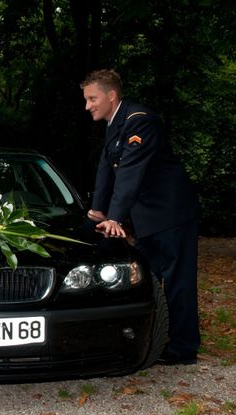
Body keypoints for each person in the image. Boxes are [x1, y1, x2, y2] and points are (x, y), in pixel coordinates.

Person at [81, 69, 200, 365]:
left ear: (111, 96)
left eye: (92, 98)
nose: (88, 106)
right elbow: (106, 170)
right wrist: (98, 211)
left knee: (177, 281)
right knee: (142, 274)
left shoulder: (140, 121)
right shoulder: (115, 124)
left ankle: (184, 349)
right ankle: (138, 336)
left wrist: (116, 217)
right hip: (149, 219)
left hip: (172, 215)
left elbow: (131, 172)